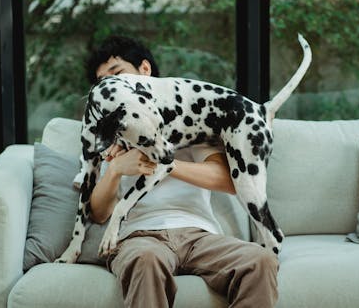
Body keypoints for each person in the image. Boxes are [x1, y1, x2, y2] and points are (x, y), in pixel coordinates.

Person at [84, 35, 279, 308]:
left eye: (117, 74)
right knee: (146, 260)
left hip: (199, 235)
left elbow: (226, 180)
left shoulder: (191, 116)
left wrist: (165, 161)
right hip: (139, 237)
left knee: (261, 261)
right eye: (102, 81)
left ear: (144, 70)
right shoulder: (108, 134)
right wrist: (116, 168)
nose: (111, 85)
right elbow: (99, 213)